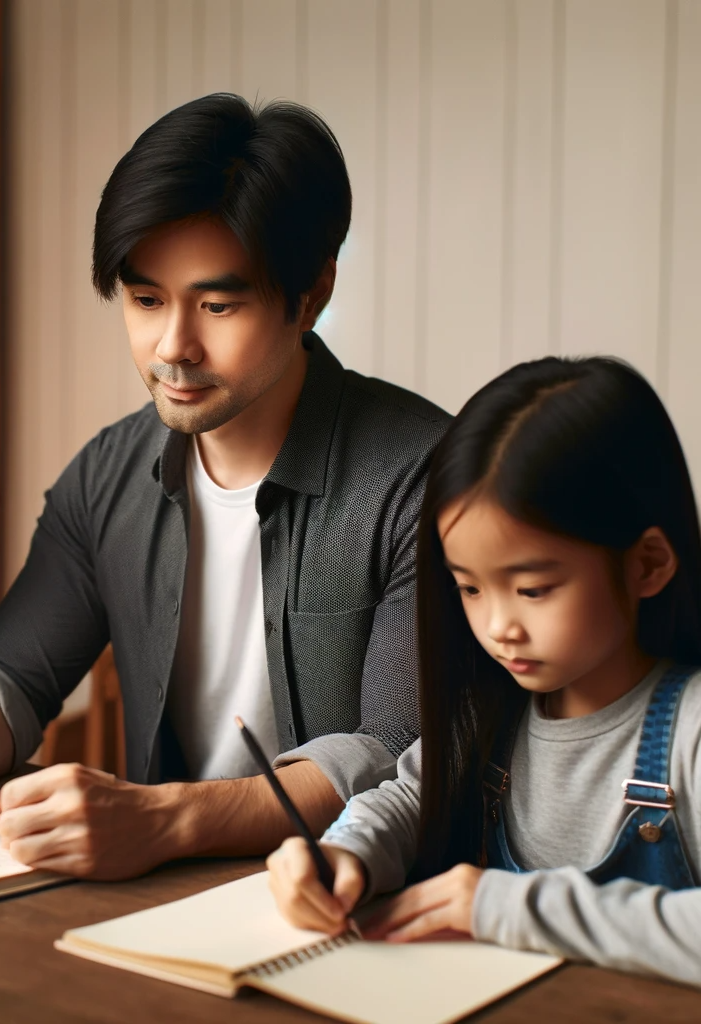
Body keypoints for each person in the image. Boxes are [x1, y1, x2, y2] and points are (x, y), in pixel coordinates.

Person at [0, 93, 450, 877]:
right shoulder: (107, 475)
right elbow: (12, 671)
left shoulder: (422, 475)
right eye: (146, 300)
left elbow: (398, 752)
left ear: (311, 293)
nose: (172, 346)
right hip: (157, 890)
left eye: (217, 304)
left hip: (356, 896)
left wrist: (167, 817)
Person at [267, 355, 701, 987]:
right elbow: (407, 798)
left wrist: (499, 906)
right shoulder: (489, 713)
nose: (500, 627)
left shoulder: (689, 731)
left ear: (648, 564)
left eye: (533, 589)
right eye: (470, 588)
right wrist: (343, 852)